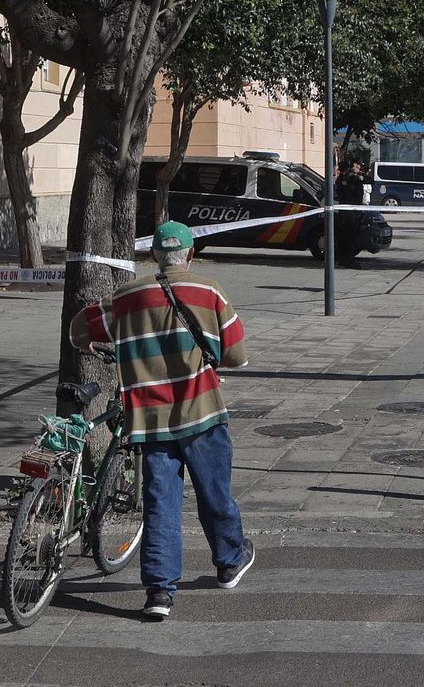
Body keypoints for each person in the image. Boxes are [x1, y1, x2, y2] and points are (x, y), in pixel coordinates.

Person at [77, 221, 254, 621]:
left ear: (154, 256)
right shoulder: (209, 291)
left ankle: (159, 592)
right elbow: (237, 354)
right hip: (202, 412)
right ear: (190, 255)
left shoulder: (126, 297)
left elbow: (78, 329)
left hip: (150, 421)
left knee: (160, 502)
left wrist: (92, 341)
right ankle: (228, 561)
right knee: (214, 491)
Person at [333, 161, 366, 267]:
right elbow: (370, 180)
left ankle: (343, 258)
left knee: (344, 236)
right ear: (349, 168)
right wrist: (360, 173)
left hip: (344, 210)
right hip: (352, 211)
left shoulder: (339, 179)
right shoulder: (352, 178)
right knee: (351, 236)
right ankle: (349, 260)